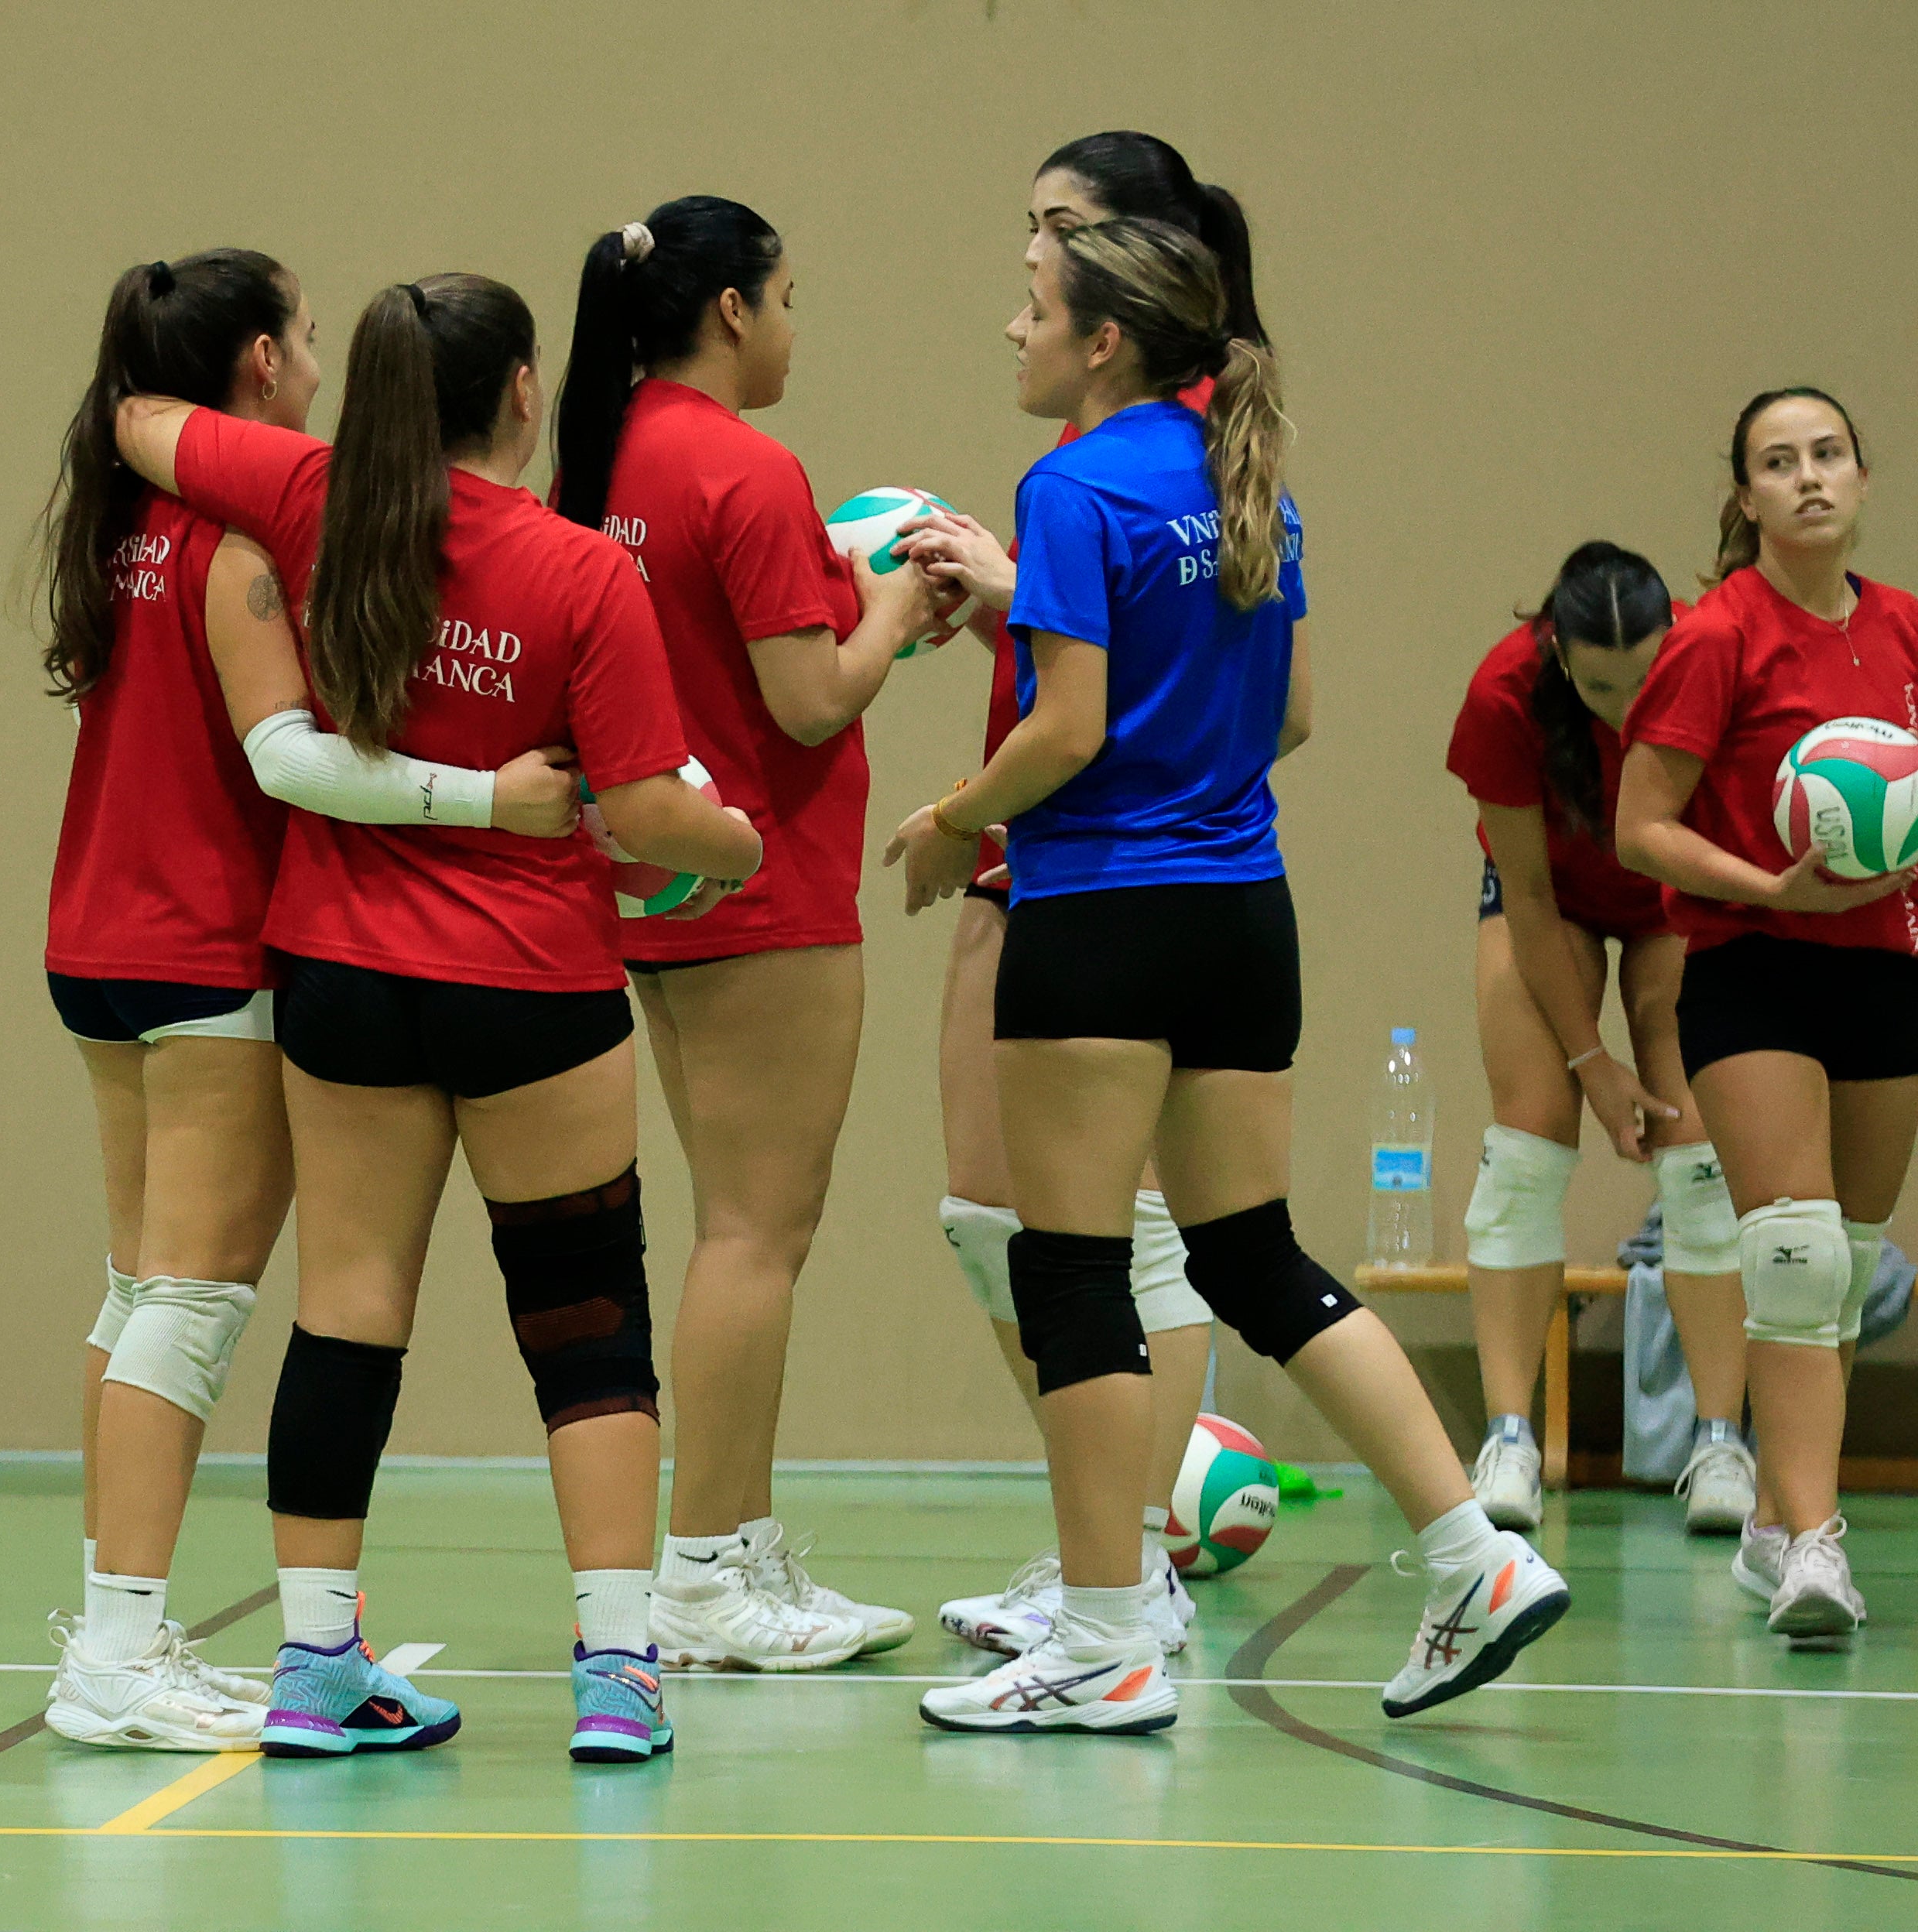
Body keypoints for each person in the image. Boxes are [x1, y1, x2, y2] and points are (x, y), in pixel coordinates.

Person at [884, 218, 1567, 1733]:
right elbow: (1292, 718)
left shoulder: (1073, 485)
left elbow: (1063, 730)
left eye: (1037, 306)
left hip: (1103, 917)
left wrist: (950, 824)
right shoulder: (1247, 485)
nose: (1016, 330)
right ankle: (1473, 1553)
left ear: (1106, 341)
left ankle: (1110, 1639)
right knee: (1253, 1260)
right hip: (1245, 916)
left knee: (1068, 1272)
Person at [117, 272, 763, 1762]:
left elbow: (143, 417)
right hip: (529, 985)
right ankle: (614, 1672)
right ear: (522, 394)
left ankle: (313, 1661)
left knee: (343, 1318)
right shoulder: (579, 571)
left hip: (340, 979)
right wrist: (736, 846)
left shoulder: (302, 492)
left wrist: (167, 394)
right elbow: (654, 811)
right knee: (587, 1332)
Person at [36, 250, 581, 1749]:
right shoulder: (236, 542)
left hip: (95, 934)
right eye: (309, 335)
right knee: (195, 1304)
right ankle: (120, 1653)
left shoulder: (124, 525)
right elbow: (286, 758)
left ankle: (110, 1630)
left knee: (142, 1292)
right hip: (204, 946)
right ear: (262, 369)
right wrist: (491, 798)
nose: (323, 356)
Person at [551, 196, 937, 1670]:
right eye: (785, 297)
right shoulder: (742, 464)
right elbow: (809, 699)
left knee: (735, 1226)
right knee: (752, 1236)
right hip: (760, 891)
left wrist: (851, 594)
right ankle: (704, 1570)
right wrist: (896, 604)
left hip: (663, 889)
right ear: (729, 311)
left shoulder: (616, 452)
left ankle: (737, 1544)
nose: (789, 326)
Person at [904, 132, 1259, 1663]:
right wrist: (1009, 603)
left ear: (1123, 286)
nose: (1024, 283)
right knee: (1000, 1220)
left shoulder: (1140, 456)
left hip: (1095, 868)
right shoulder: (1143, 459)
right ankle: (1108, 1552)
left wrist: (965, 813)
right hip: (1059, 858)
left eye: (1056, 241)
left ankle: (1128, 1571)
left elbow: (1125, 711)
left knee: (1129, 1243)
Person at [1618, 386, 1918, 1643]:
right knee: (1789, 1250)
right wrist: (1767, 886)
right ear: (1743, 499)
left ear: (1857, 478)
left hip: (1878, 971)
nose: (1806, 477)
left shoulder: (1902, 629)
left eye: (1825, 455)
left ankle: (1768, 1526)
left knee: (1838, 1267)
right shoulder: (1715, 636)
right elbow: (1642, 823)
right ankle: (1810, 1543)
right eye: (1775, 462)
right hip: (1747, 965)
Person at [1444, 542, 1751, 1535]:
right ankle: (1510, 1438)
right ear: (1558, 656)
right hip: (1555, 902)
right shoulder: (1503, 693)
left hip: (1677, 894)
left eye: (1646, 681)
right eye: (1600, 686)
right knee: (1529, 1145)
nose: (1625, 709)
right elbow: (1528, 897)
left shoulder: (1716, 656)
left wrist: (1641, 1061)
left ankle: (1720, 1443)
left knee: (1700, 1155)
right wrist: (1591, 1061)